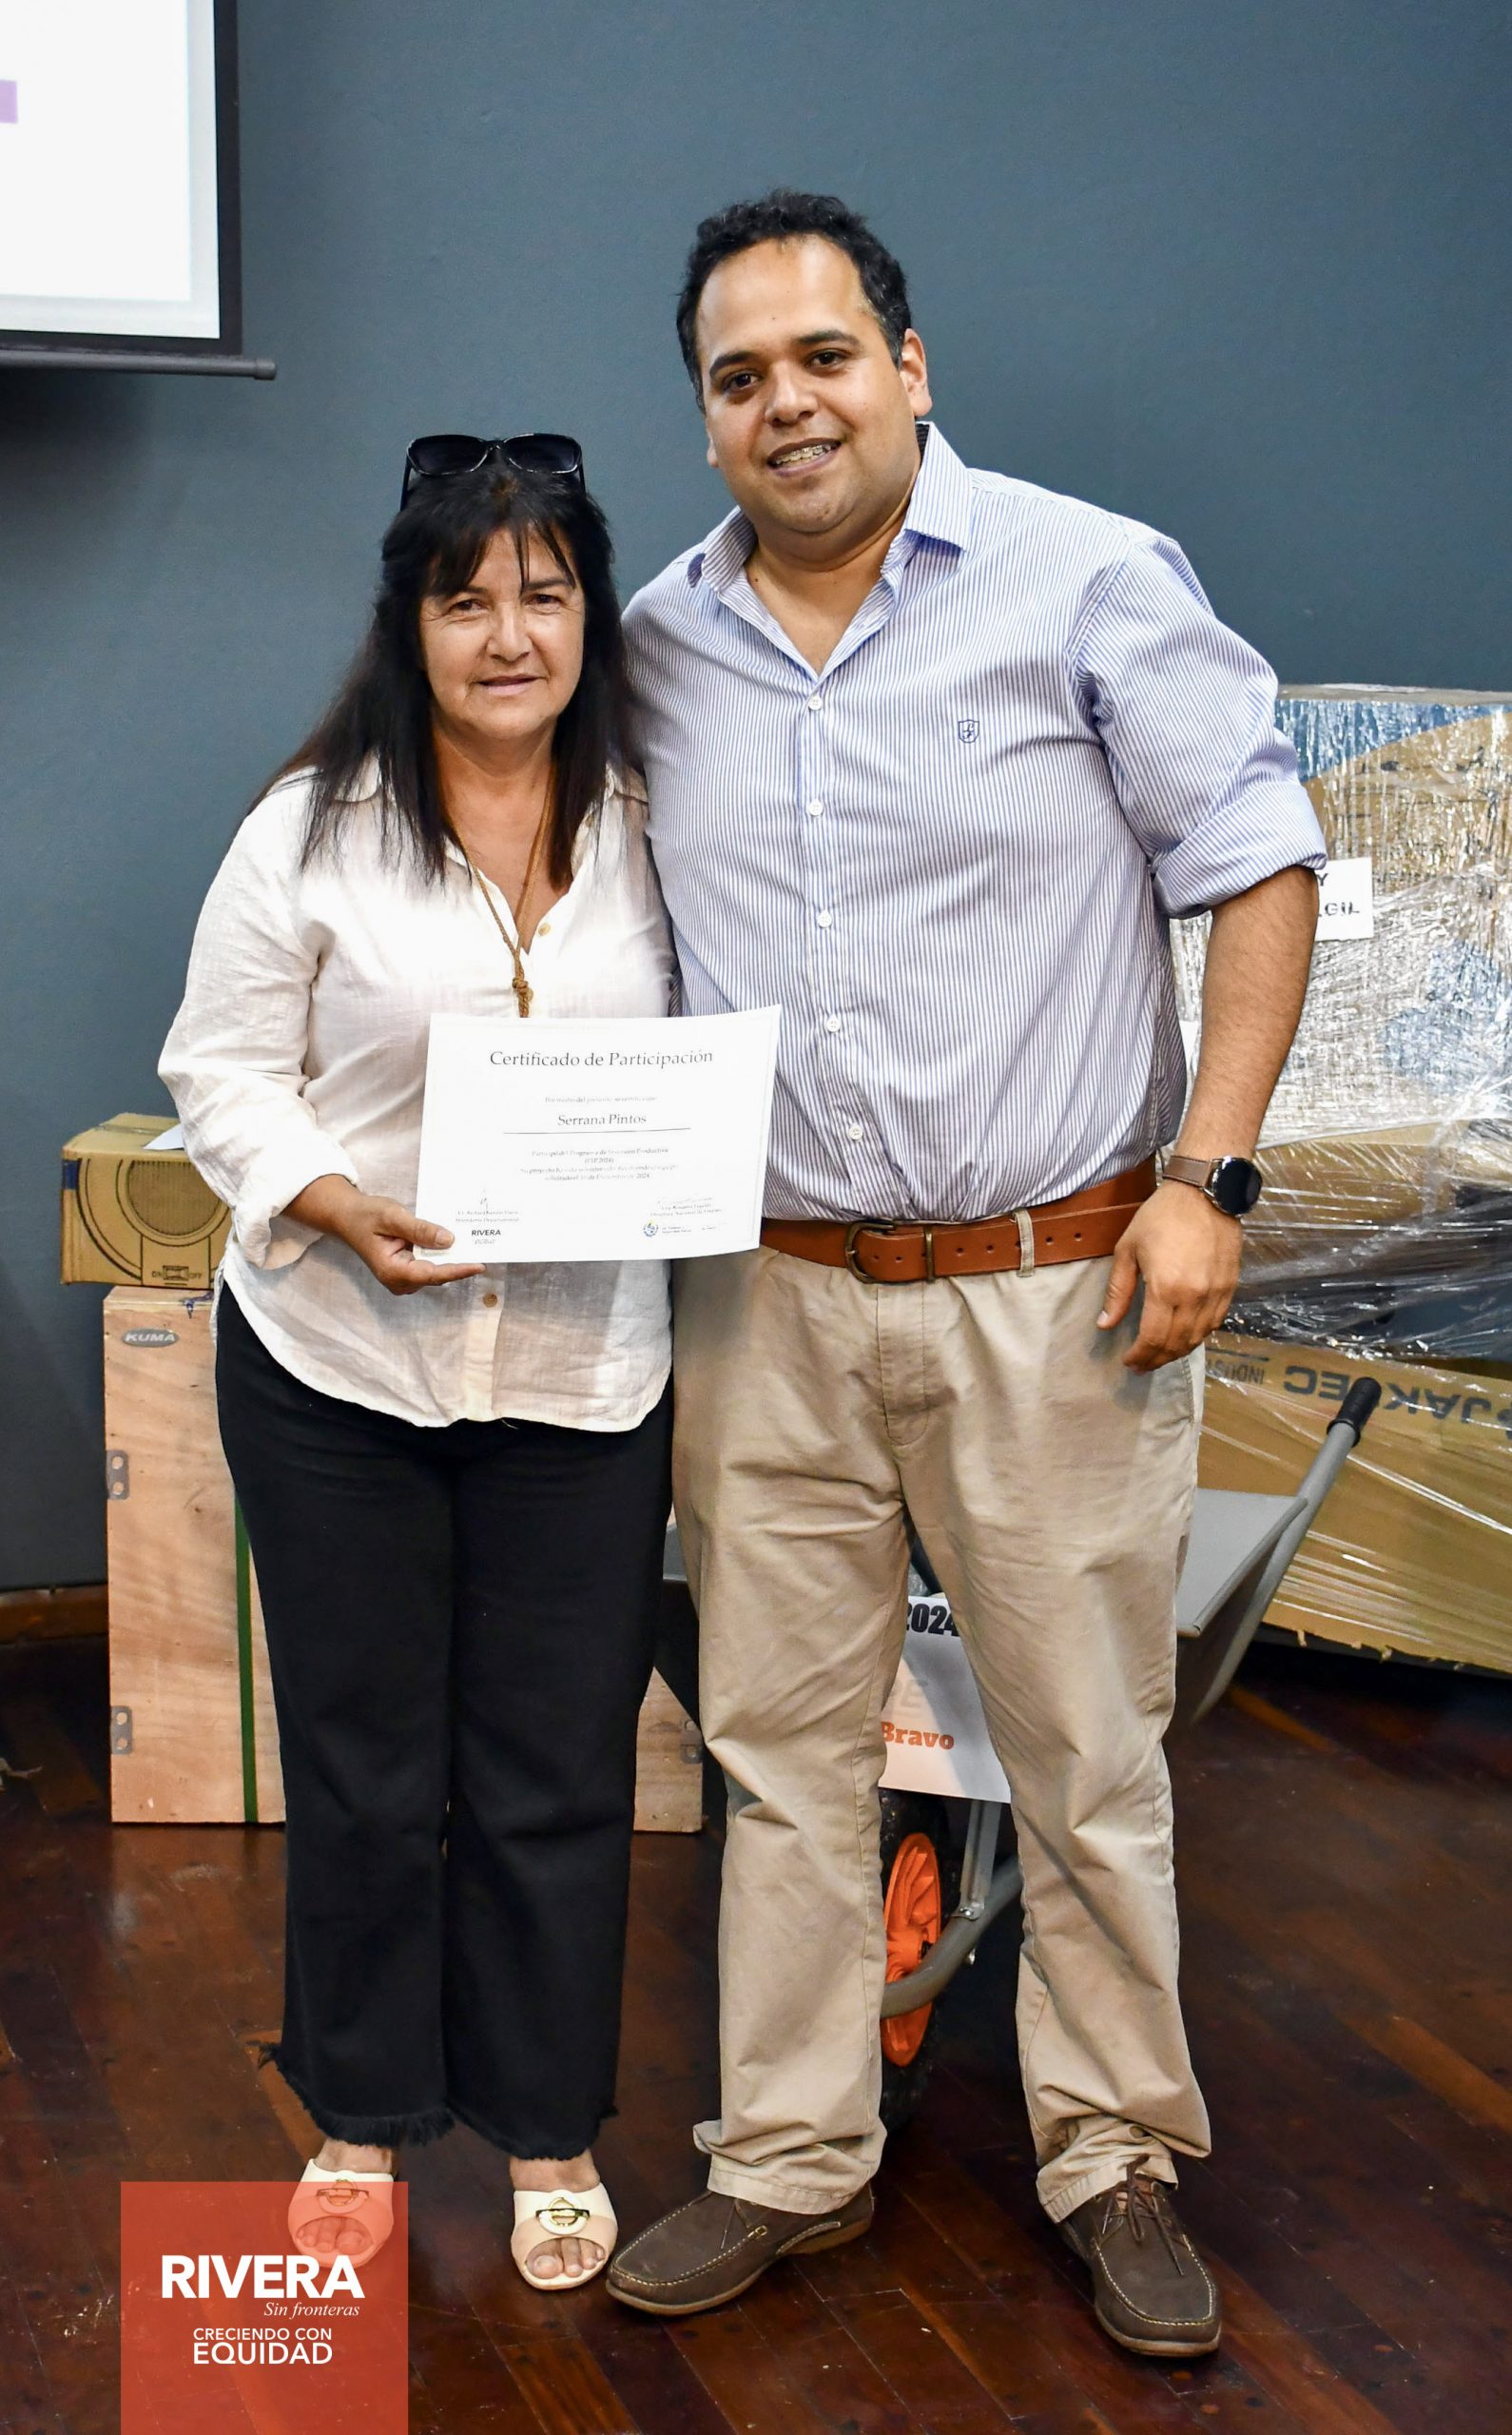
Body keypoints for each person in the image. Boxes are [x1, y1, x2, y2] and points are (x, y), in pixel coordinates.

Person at [607, 192, 1324, 2353]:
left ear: (908, 368)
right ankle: (788, 2152)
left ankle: (1113, 2155)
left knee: (1085, 1753)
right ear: (705, 418)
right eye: (739, 376)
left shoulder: (1086, 578)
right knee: (778, 1752)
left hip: (1054, 1286)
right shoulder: (653, 644)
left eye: (823, 356)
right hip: (767, 1295)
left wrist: (1210, 1177)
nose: (786, 404)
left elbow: (1258, 862)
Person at [160, 434, 675, 2292]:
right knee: (366, 1768)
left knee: (555, 1766)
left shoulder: (657, 820)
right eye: (467, 599)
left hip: (582, 1374)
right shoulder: (309, 828)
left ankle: (547, 2128)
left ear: (589, 612)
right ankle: (361, 2117)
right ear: (410, 621)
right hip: (339, 1366)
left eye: (544, 591)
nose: (508, 633)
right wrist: (329, 1198)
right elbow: (219, 1068)